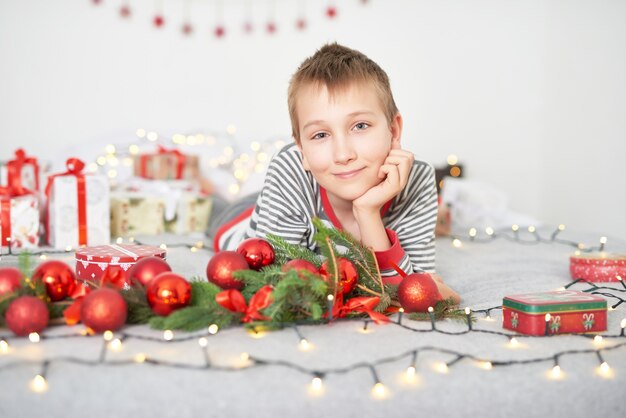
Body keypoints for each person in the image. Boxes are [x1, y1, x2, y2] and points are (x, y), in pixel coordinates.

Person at [212, 43, 460, 303]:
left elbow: (413, 292)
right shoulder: (290, 169)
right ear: (303, 151)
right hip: (240, 219)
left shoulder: (418, 180)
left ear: (394, 131)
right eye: (320, 135)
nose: (343, 155)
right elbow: (280, 284)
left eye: (360, 126)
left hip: (293, 205)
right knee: (212, 207)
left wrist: (367, 212)